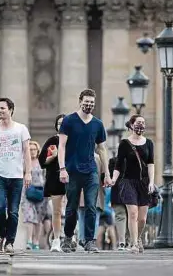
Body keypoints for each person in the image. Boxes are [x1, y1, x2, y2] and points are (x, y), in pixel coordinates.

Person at [57, 88, 111, 253]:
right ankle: (67, 238)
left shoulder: (97, 124)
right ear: (80, 101)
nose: (89, 105)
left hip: (91, 171)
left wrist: (106, 173)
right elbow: (62, 146)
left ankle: (89, 241)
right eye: (86, 102)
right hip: (72, 170)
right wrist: (62, 169)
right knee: (71, 207)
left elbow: (102, 149)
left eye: (92, 103)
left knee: (91, 206)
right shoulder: (69, 121)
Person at [0, 97, 32, 254]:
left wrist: (28, 173)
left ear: (11, 110)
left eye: (2, 108)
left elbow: (26, 152)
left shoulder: (21, 129)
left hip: (16, 176)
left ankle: (9, 242)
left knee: (13, 211)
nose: (0, 111)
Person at [110, 115, 155, 253]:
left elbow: (151, 164)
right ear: (131, 125)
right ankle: (134, 243)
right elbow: (118, 165)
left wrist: (152, 182)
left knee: (142, 218)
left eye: (143, 122)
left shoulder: (149, 143)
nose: (141, 125)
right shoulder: (124, 143)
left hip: (144, 182)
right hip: (128, 182)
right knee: (133, 214)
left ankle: (138, 238)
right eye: (138, 123)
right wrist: (113, 179)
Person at [38, 114, 66, 252]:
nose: (61, 125)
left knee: (73, 210)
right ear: (56, 125)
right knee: (57, 211)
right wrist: (53, 156)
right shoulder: (52, 141)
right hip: (55, 179)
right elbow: (42, 162)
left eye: (64, 123)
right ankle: (56, 240)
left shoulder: (74, 141)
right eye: (59, 123)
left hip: (73, 179)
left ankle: (70, 237)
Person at [21, 141, 48, 250]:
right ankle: (29, 241)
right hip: (27, 192)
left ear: (38, 151)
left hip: (41, 192)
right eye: (30, 149)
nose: (32, 151)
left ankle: (36, 241)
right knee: (29, 217)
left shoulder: (42, 162)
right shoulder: (24, 162)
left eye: (34, 149)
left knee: (39, 218)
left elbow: (46, 176)